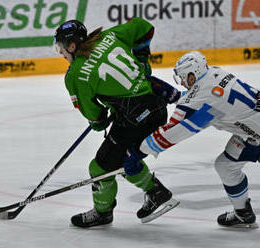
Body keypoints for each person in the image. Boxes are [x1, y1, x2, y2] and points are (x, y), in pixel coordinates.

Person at [124, 50, 260, 229]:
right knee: (225, 166)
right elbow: (202, 98)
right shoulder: (215, 72)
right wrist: (174, 94)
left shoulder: (205, 98)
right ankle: (243, 214)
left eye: (183, 78)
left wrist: (138, 151)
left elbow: (172, 132)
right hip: (258, 127)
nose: (182, 82)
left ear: (192, 74)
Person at [53, 18, 180, 228]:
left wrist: (103, 116)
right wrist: (141, 60)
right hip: (157, 109)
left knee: (100, 168)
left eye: (61, 47)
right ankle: (156, 191)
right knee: (122, 159)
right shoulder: (108, 36)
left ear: (72, 45)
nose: (61, 52)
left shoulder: (75, 75)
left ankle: (103, 213)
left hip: (135, 120)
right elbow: (143, 26)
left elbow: (96, 120)